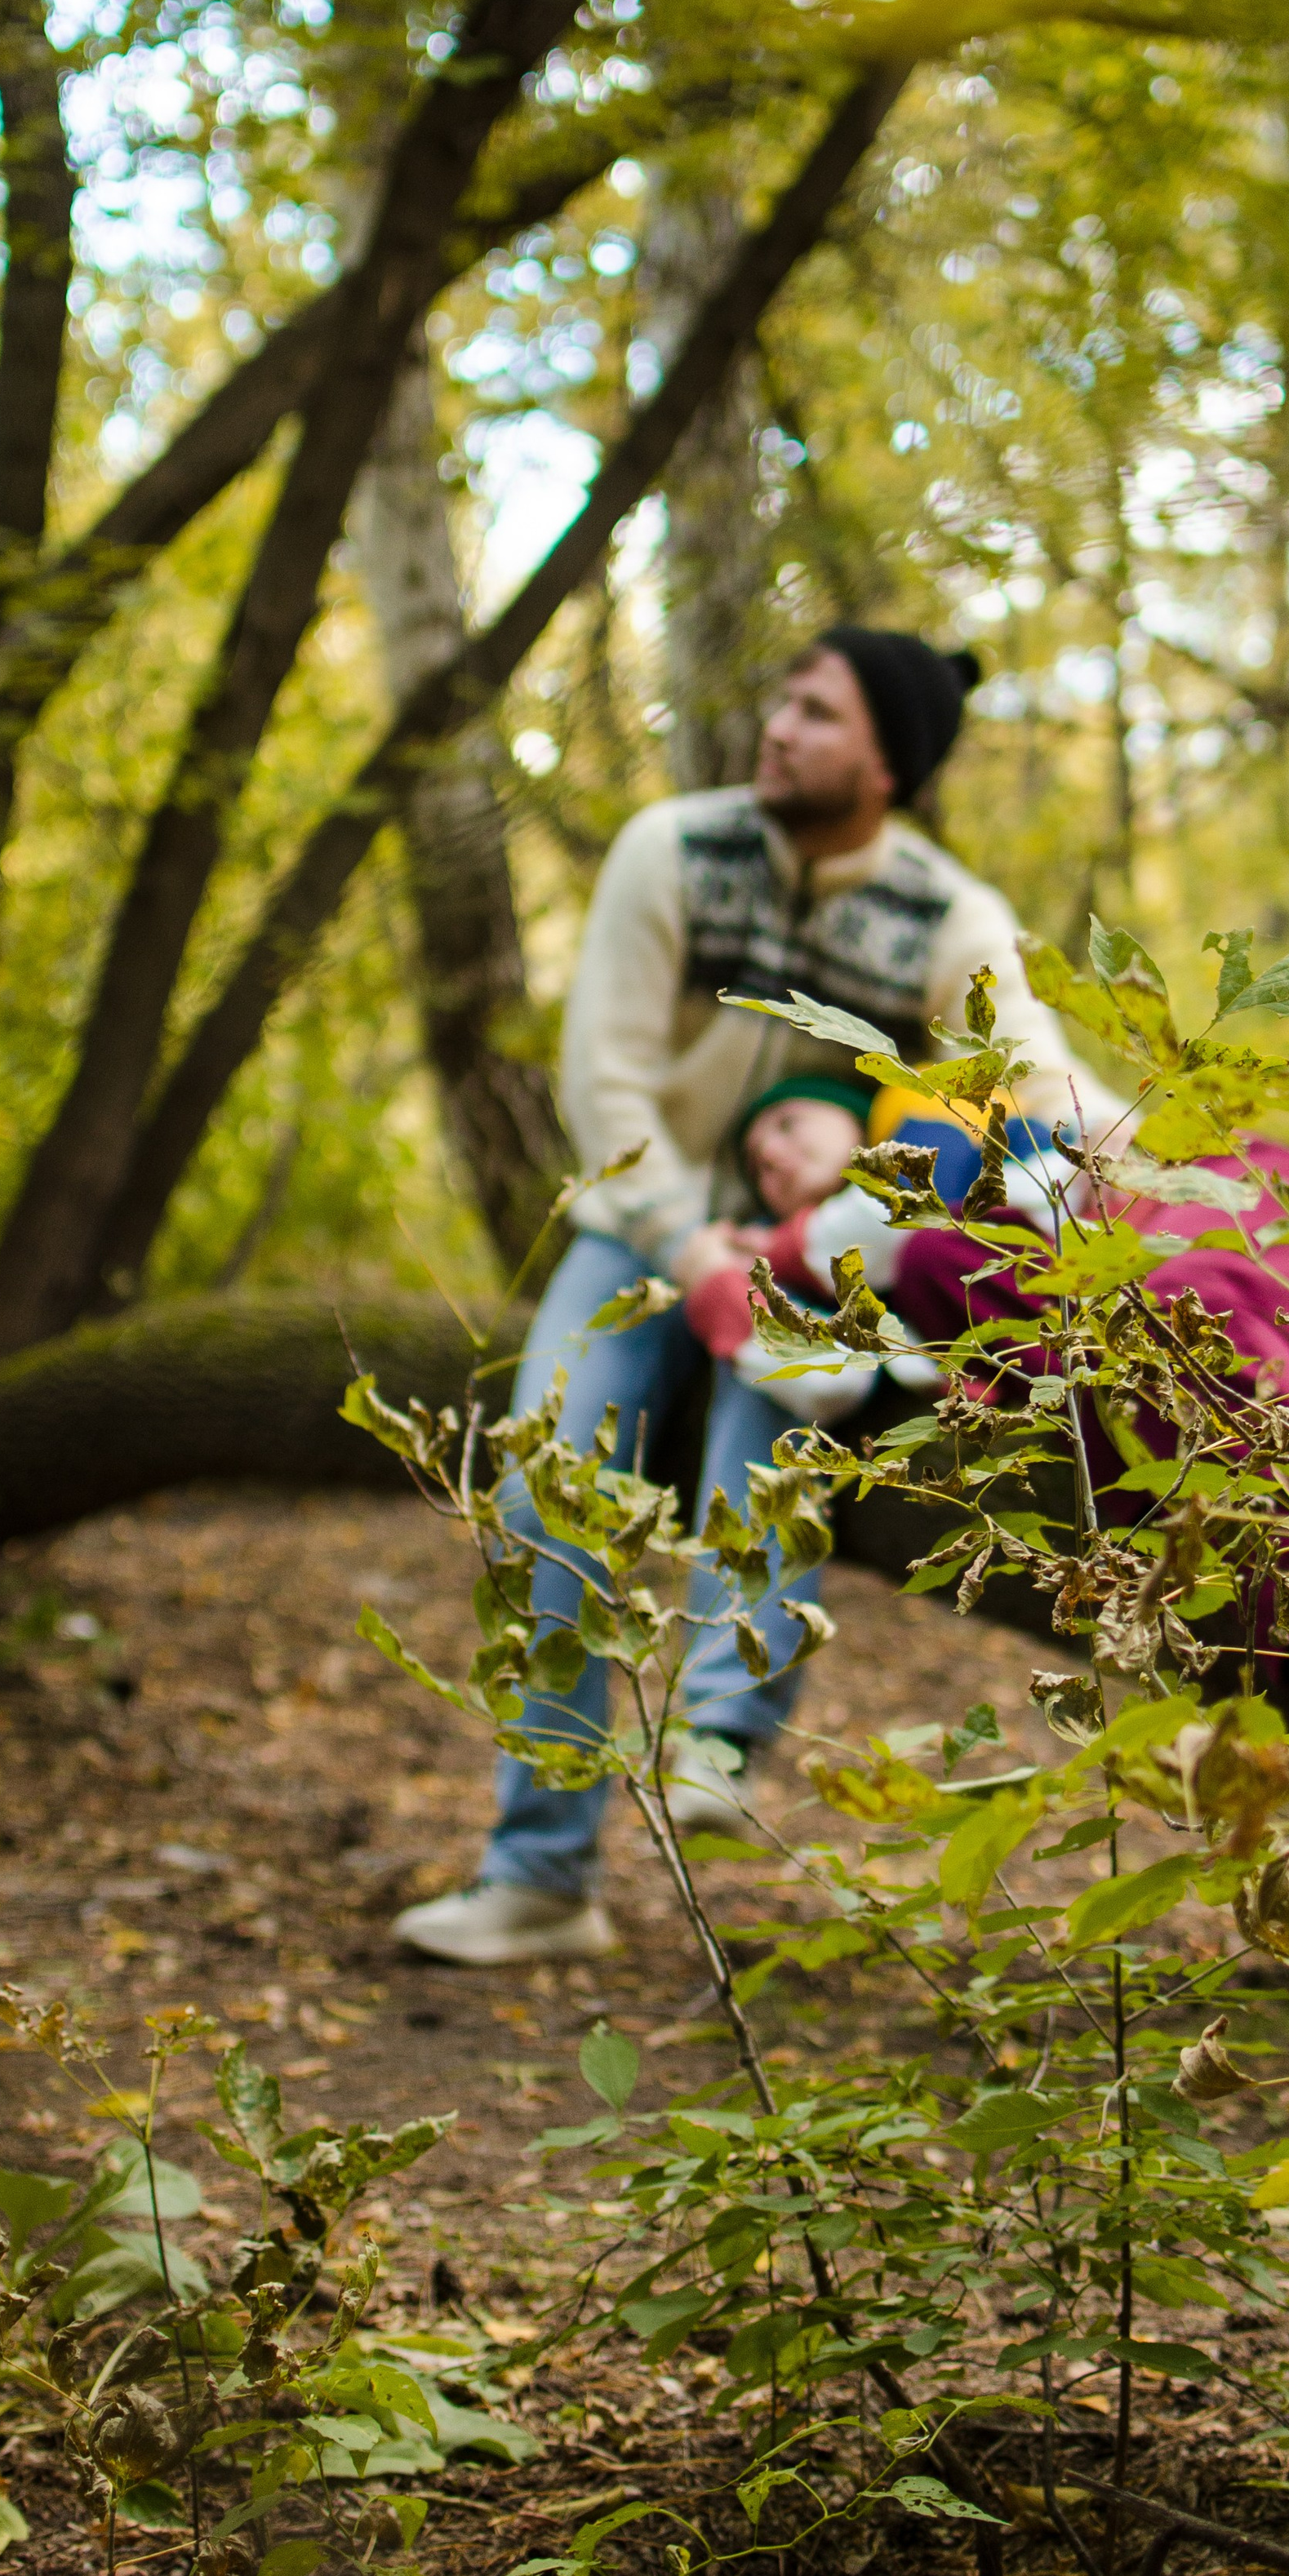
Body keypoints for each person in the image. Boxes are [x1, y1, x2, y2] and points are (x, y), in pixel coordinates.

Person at [392, 624, 1123, 1965]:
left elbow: (1030, 1070)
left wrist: (1141, 1173)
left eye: (820, 712)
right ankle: (543, 1872)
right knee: (550, 1468)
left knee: (779, 1424)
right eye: (781, 698)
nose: (779, 726)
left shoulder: (942, 911)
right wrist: (694, 1248)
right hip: (636, 1227)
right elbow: (606, 1080)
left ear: (888, 761)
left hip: (804, 1237)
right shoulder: (671, 848)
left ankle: (720, 1741)